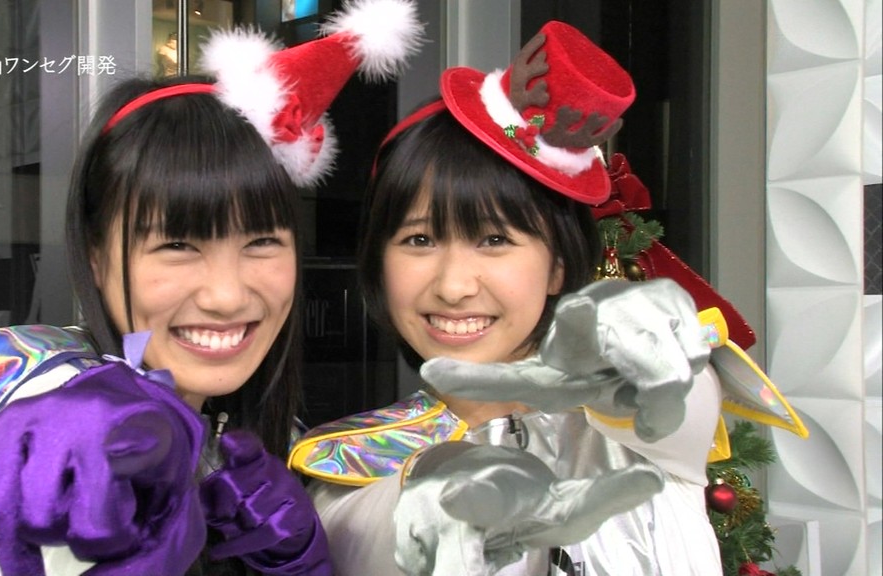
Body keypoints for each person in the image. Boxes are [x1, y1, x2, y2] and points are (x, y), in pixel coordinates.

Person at [0, 1, 425, 574]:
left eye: (262, 241)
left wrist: (301, 563)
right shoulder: (62, 411)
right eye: (177, 244)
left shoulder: (262, 440)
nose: (227, 296)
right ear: (96, 258)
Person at [288, 20, 806, 576]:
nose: (454, 286)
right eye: (419, 240)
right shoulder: (345, 470)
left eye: (495, 240)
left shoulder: (637, 431)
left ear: (558, 265)